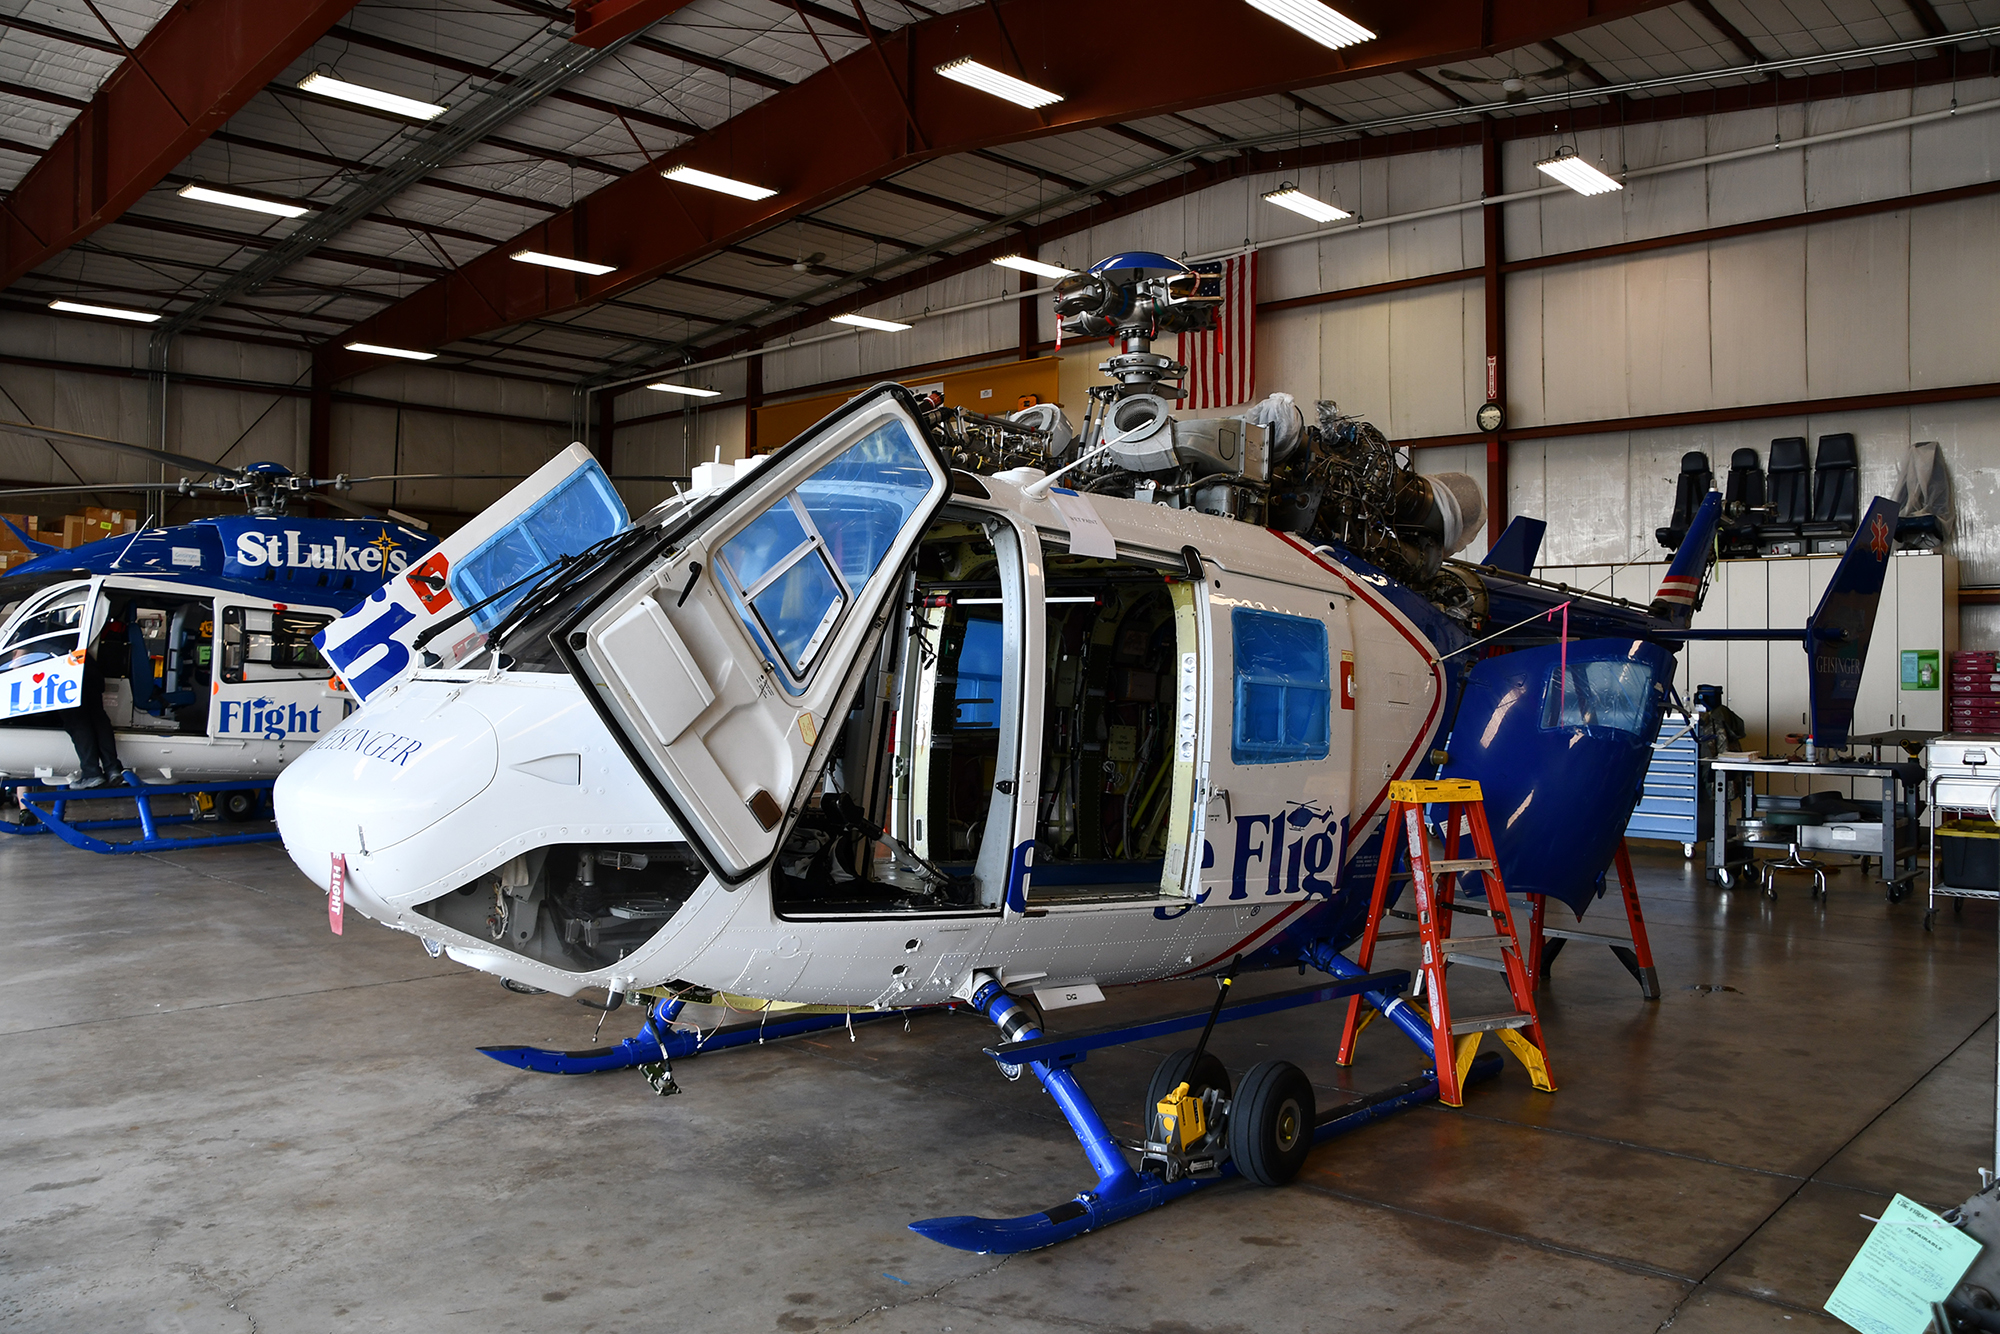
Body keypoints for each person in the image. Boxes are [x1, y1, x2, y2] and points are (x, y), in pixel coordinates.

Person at [56, 646, 122, 789]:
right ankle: (112, 768)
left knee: (77, 722)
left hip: (66, 671)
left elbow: (19, 659)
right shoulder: (68, 629)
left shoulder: (31, 628)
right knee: (98, 718)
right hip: (87, 664)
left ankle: (92, 773)